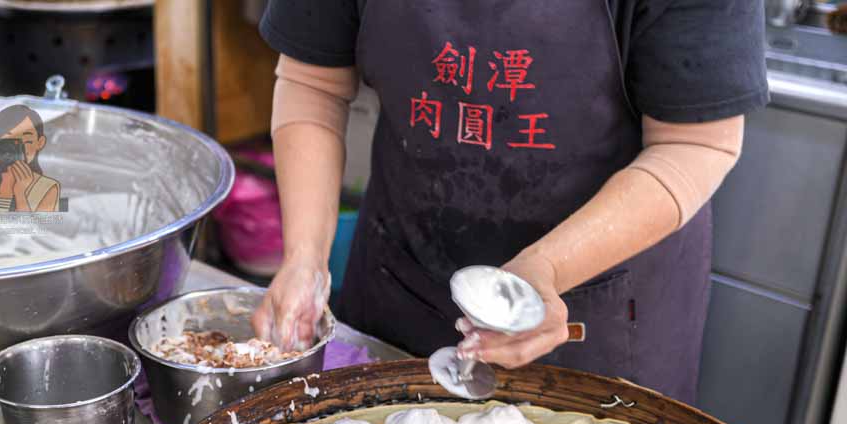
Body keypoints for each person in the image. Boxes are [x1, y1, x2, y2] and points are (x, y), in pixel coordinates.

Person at [251, 0, 767, 403]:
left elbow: (694, 145)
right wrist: (304, 257)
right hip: (403, 280)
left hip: (600, 311)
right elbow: (312, 82)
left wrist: (543, 270)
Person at [0, 104, 60, 213]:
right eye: (11, 142)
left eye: (27, 141)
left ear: (40, 143)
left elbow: (31, 229)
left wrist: (21, 194)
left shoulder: (46, 188)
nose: (20, 149)